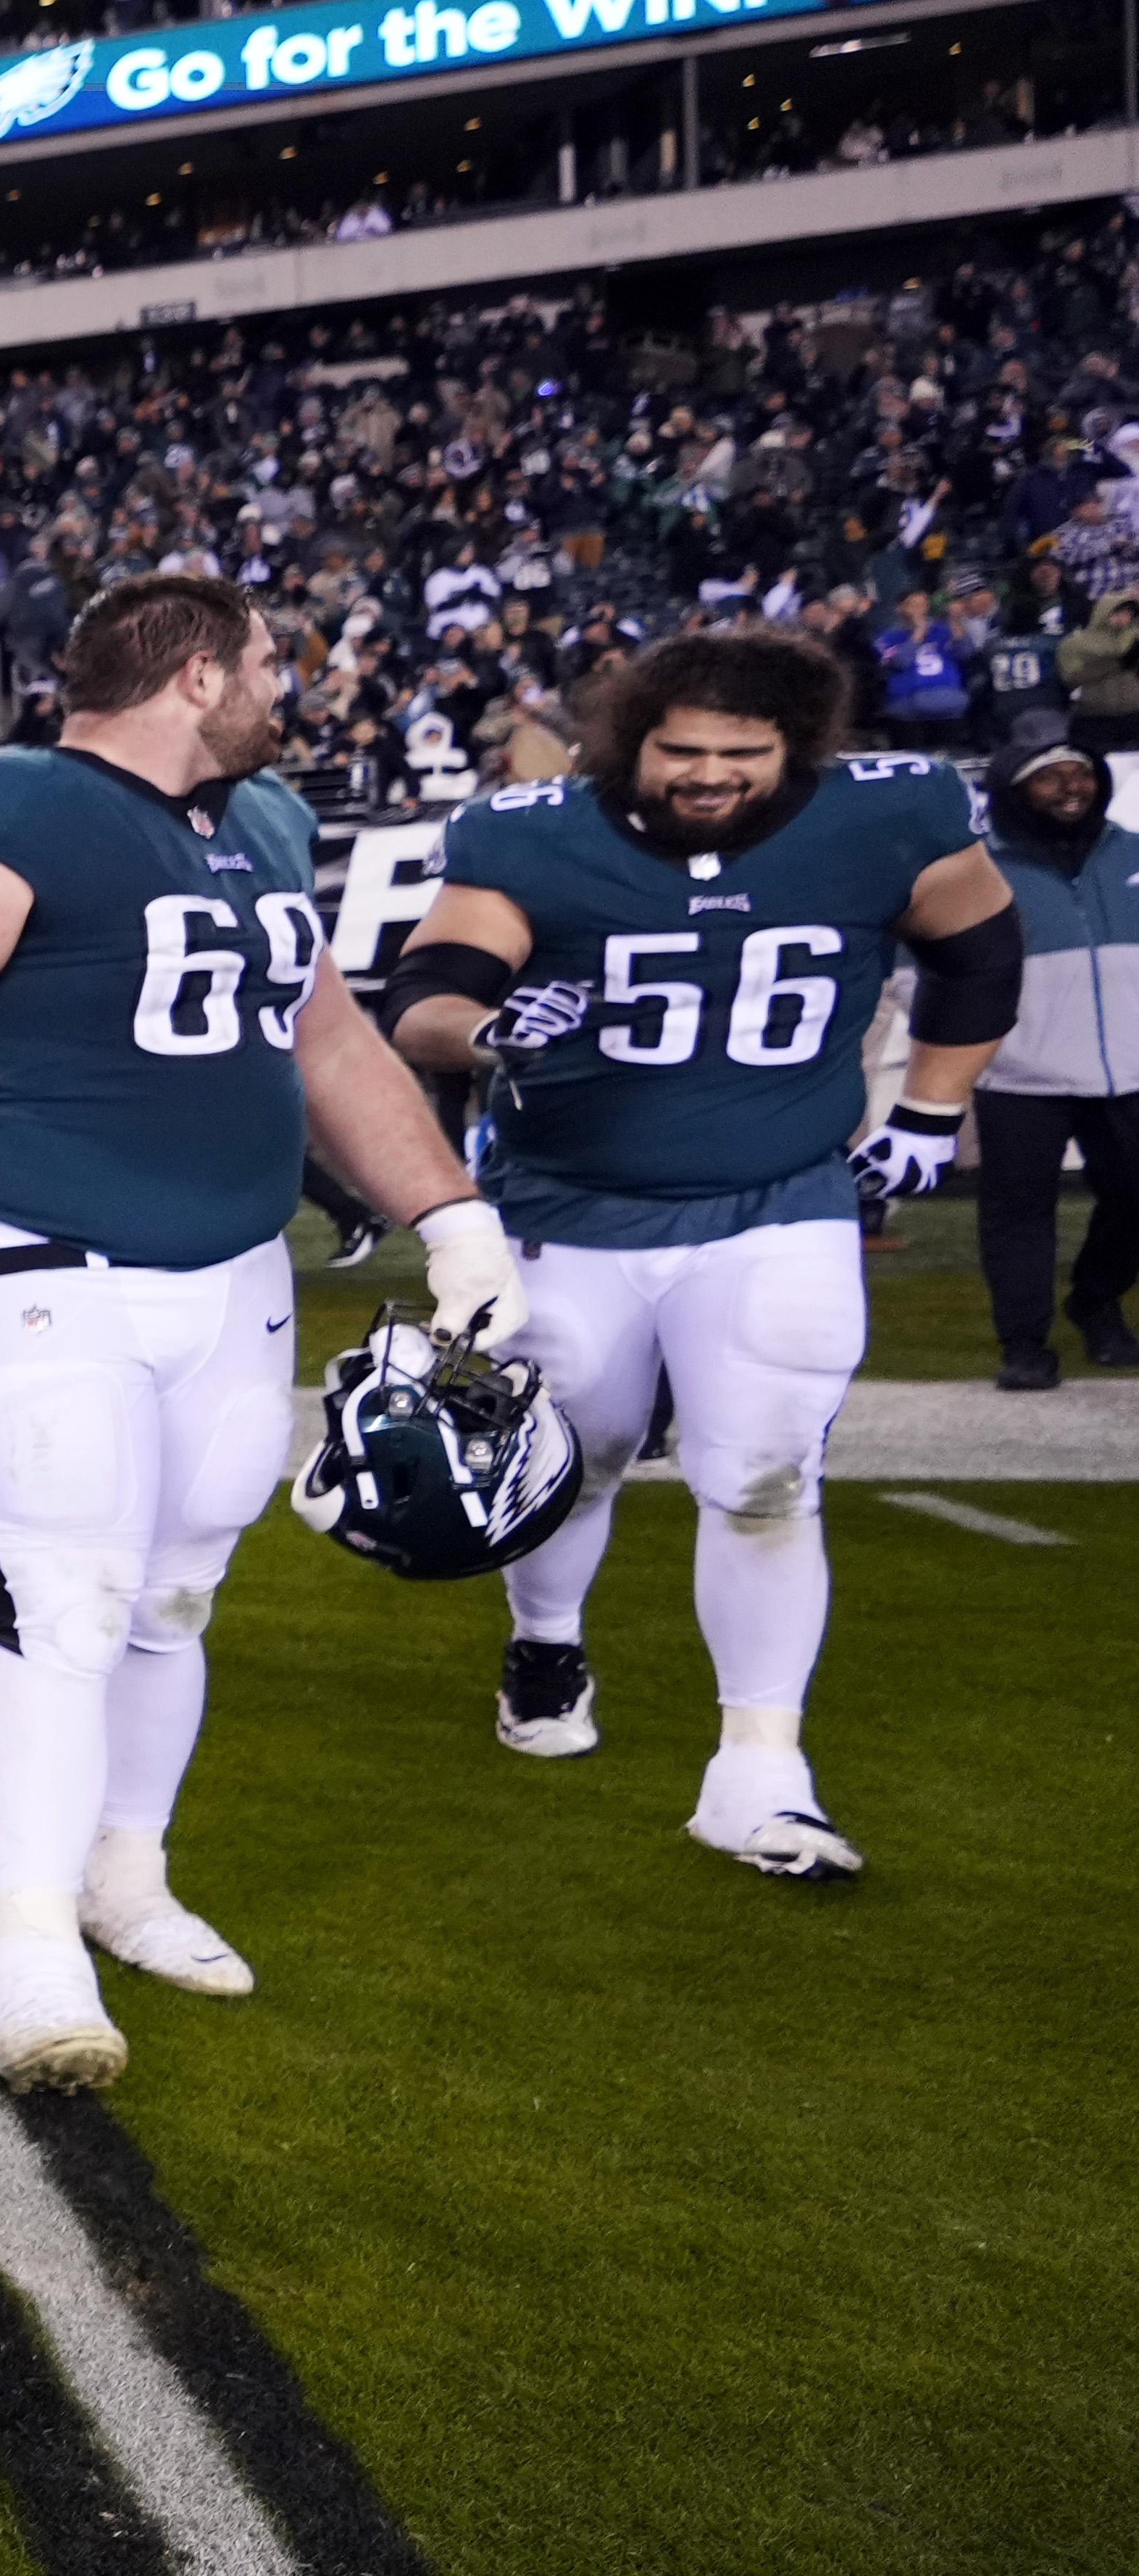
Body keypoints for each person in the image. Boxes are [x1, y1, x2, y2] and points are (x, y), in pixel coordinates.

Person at [0, 573, 517, 2093]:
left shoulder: (263, 826)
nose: (278, 691)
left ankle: (124, 1871)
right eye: (259, 666)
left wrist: (450, 1213)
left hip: (232, 1271)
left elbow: (326, 1040)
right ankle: (26, 1939)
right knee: (63, 1596)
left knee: (173, 1592)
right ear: (189, 676)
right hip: (41, 1255)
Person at [383, 630, 1025, 1871]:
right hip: (572, 1202)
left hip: (776, 1200)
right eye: (684, 748)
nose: (713, 773)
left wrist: (934, 1113)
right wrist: (497, 1026)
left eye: (746, 751)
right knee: (580, 1454)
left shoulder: (885, 816)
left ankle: (762, 1771)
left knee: (769, 1474)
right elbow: (428, 996)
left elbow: (980, 952)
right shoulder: (532, 832)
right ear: (633, 742)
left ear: (799, 745)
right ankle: (548, 1640)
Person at [973, 715, 1139, 1386]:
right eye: (1048, 776)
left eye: (1081, 772)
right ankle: (1024, 1344)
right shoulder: (973, 866)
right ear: (1013, 789)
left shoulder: (1134, 853)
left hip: (1132, 1067)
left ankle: (1096, 1302)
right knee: (1018, 1216)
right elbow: (917, 964)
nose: (1071, 787)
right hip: (1019, 1073)